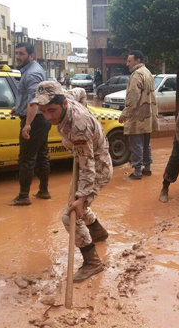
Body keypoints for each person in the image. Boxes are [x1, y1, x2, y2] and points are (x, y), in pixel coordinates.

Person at [32, 81, 111, 282]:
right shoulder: (67, 95)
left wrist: (82, 198)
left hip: (96, 167)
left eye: (52, 110)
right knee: (77, 206)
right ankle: (98, 232)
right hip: (84, 157)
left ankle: (93, 262)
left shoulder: (78, 127)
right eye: (43, 111)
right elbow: (82, 92)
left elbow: (88, 168)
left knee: (70, 215)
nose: (48, 117)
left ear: (64, 104)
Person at [9, 42, 51, 206]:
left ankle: (23, 196)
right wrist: (18, 108)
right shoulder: (34, 71)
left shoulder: (32, 74)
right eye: (17, 53)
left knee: (26, 158)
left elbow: (34, 101)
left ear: (31, 56)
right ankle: (43, 191)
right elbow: (29, 98)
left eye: (21, 54)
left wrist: (27, 124)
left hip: (35, 120)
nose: (18, 57)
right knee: (41, 155)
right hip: (40, 119)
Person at [118, 50, 158, 179]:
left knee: (136, 144)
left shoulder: (137, 74)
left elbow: (133, 98)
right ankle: (147, 168)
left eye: (129, 61)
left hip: (138, 117)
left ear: (138, 60)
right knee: (146, 144)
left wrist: (125, 114)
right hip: (148, 116)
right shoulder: (148, 72)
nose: (127, 64)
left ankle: (137, 172)